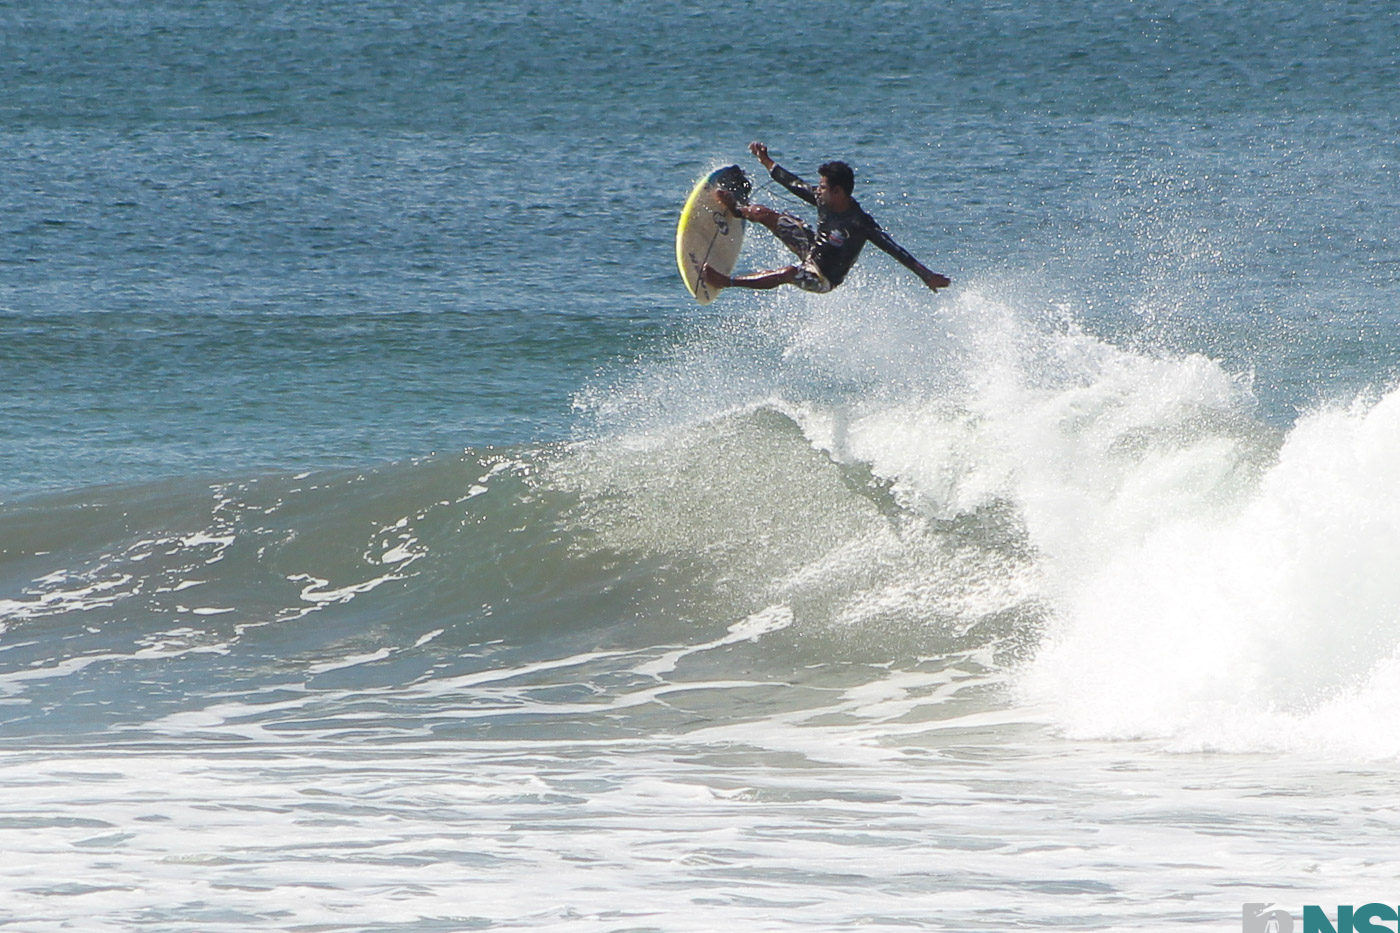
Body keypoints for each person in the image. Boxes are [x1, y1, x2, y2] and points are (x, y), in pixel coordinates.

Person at [701, 141, 950, 295]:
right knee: (762, 213)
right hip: (811, 247)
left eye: (822, 187)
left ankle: (726, 282)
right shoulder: (824, 200)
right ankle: (738, 210)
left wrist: (926, 275)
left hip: (823, 277)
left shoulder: (860, 222)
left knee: (788, 272)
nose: (818, 191)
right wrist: (766, 161)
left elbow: (896, 250)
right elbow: (793, 184)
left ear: (838, 191)